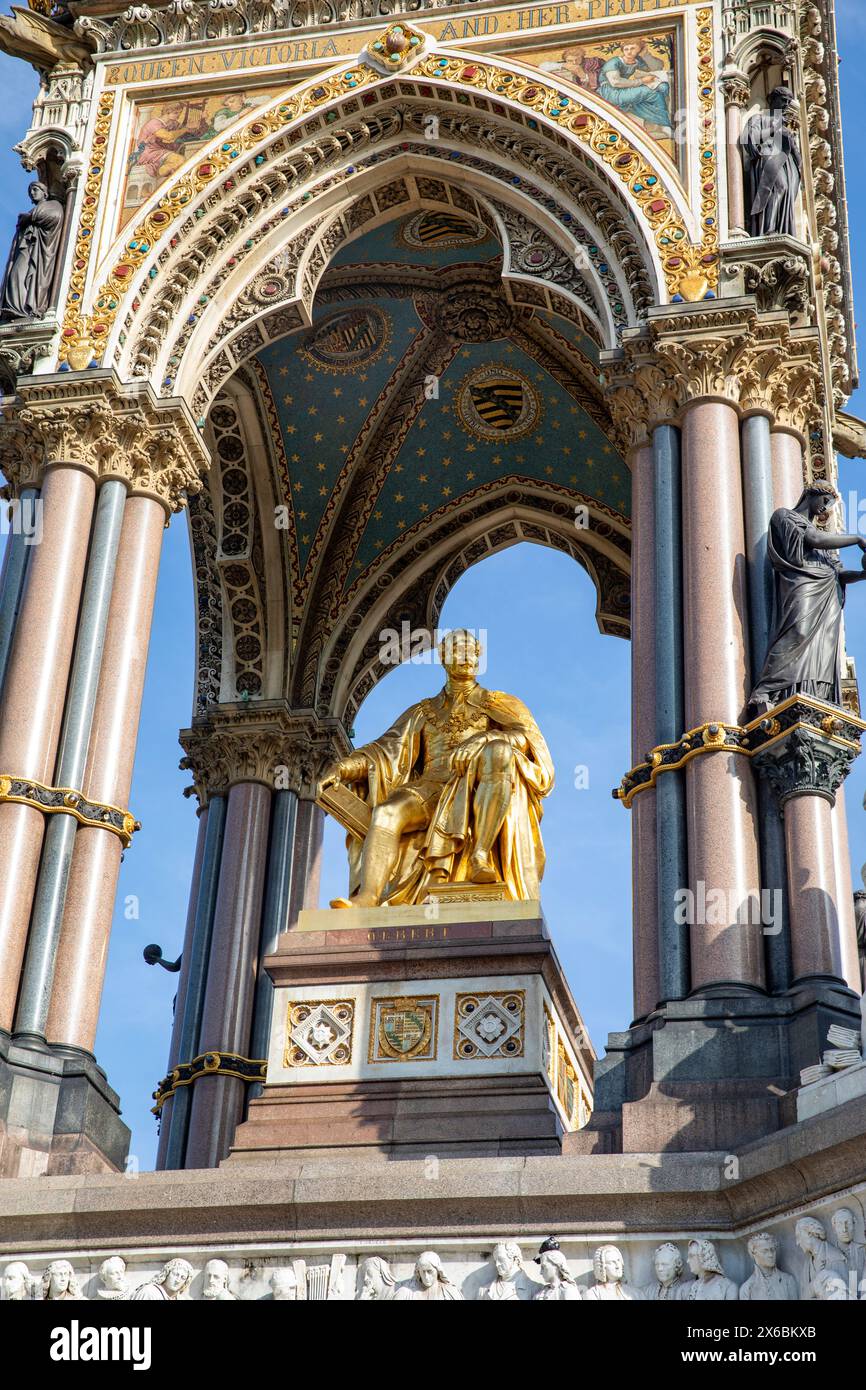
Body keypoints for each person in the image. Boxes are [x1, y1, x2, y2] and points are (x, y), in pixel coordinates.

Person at [320, 629, 553, 906]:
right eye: (457, 651)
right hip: (429, 789)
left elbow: (528, 741)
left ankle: (479, 854)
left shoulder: (500, 704)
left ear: (478, 659)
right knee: (386, 812)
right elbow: (383, 751)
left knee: (501, 751)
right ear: (444, 658)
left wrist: (487, 737)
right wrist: (343, 768)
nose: (465, 657)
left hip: (475, 785)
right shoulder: (424, 710)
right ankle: (368, 896)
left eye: (470, 651)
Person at [748, 486, 866, 714]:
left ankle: (813, 696)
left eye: (830, 504)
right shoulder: (786, 516)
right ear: (809, 495)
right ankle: (765, 690)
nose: (824, 507)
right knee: (797, 633)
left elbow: (839, 572)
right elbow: (812, 538)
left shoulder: (826, 546)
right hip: (803, 588)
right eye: (824, 500)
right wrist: (857, 539)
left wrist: (862, 575)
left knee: (822, 650)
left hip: (828, 598)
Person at [740, 86, 802, 238]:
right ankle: (768, 228)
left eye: (788, 101)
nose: (786, 104)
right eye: (783, 100)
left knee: (785, 190)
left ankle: (779, 229)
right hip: (769, 158)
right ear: (772, 100)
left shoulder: (786, 128)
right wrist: (775, 128)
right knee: (779, 187)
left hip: (786, 164)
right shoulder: (759, 119)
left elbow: (796, 154)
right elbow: (750, 138)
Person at [0, 181, 63, 322]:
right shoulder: (32, 212)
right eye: (31, 191)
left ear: (45, 192)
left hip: (37, 252)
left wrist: (31, 217)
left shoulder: (53, 205)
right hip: (25, 249)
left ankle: (25, 308)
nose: (32, 193)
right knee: (15, 274)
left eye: (35, 189)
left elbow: (55, 216)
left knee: (21, 274)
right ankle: (15, 307)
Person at [598, 38, 673, 138]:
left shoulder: (637, 61)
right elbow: (615, 82)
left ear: (639, 50)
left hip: (625, 89)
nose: (629, 51)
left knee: (663, 87)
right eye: (626, 49)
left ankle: (654, 126)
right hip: (612, 92)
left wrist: (646, 55)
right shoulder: (614, 62)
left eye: (633, 48)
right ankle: (664, 125)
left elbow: (657, 67)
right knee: (652, 93)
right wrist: (642, 81)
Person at [795, 1217, 847, 1300]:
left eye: (798, 1236)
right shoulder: (807, 1264)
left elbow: (845, 1294)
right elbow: (803, 1296)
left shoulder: (834, 1257)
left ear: (809, 1234)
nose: (797, 1242)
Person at [739, 1232, 798, 1301]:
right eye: (765, 1251)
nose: (770, 1255)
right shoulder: (747, 1287)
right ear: (754, 1254)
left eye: (772, 1250)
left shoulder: (787, 1280)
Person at [393, 1251, 463, 1300]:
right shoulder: (405, 1293)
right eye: (423, 1272)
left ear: (438, 1271)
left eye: (430, 1271)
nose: (426, 1276)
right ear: (418, 1272)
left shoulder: (450, 1292)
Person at [130, 1257, 194, 1301]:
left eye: (182, 1278)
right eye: (175, 1274)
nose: (177, 1280)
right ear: (167, 1274)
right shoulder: (149, 1292)